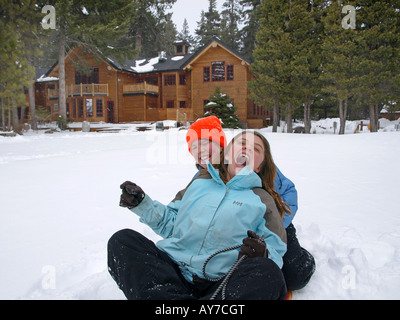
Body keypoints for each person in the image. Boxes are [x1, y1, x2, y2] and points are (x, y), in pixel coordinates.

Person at [108, 131, 288, 300]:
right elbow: (171, 224)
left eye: (255, 149)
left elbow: (276, 250)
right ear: (226, 155)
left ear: (259, 167)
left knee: (268, 273)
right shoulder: (200, 182)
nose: (246, 148)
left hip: (220, 282)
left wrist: (262, 254)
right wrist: (142, 204)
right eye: (241, 143)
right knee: (122, 241)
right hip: (173, 270)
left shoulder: (262, 200)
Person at [185, 116, 315, 292]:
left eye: (206, 142)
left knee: (293, 277)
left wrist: (274, 226)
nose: (200, 150)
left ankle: (303, 257)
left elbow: (289, 192)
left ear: (222, 145)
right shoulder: (200, 178)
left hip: (275, 226)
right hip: (240, 235)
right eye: (194, 146)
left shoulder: (252, 163)